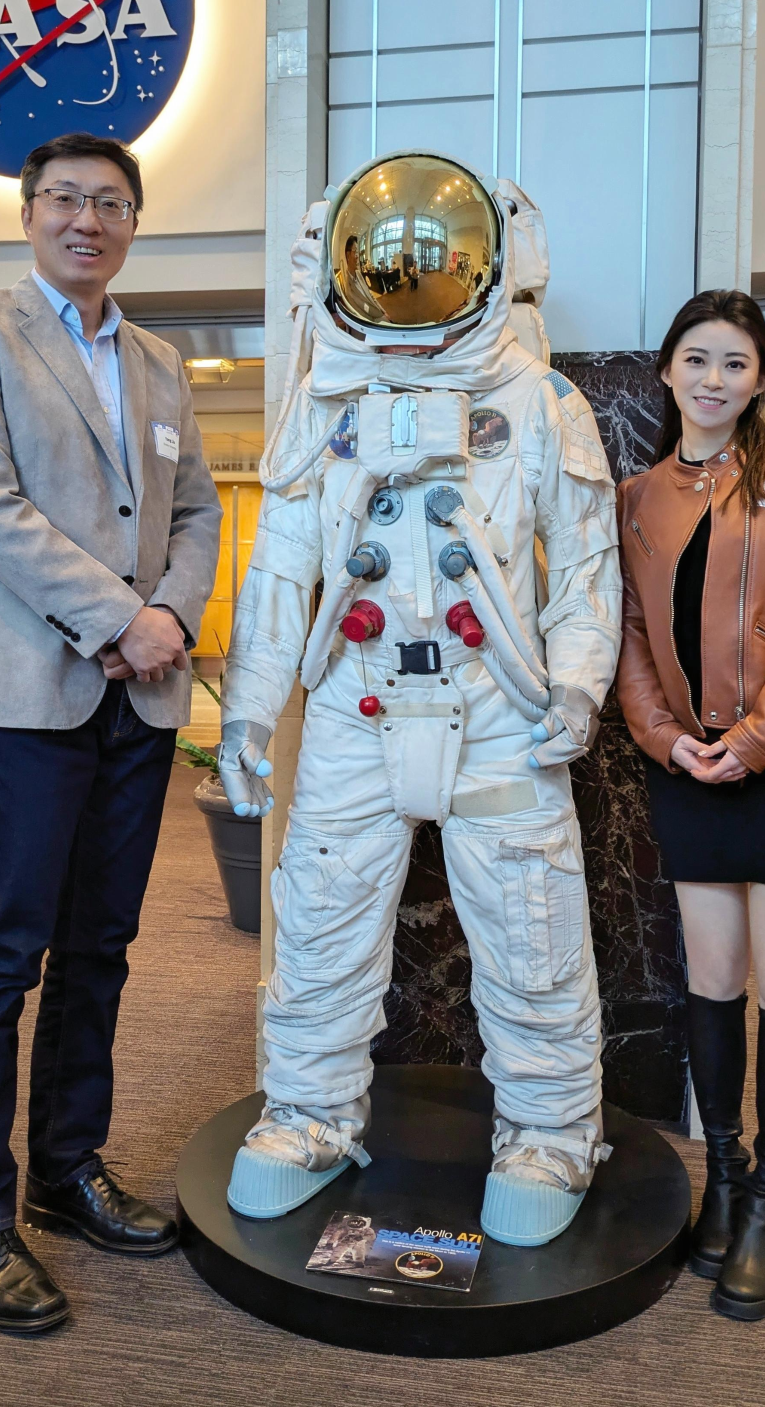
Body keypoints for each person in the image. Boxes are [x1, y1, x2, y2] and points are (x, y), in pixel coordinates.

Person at [217, 151, 622, 1247]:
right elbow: (280, 570)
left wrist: (579, 690)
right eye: (389, 263)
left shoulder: (540, 404)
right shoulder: (324, 402)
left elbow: (587, 573)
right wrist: (248, 713)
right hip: (356, 702)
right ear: (346, 269)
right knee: (321, 918)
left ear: (490, 266)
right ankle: (306, 1112)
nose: (413, 283)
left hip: (501, 706)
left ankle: (548, 1129)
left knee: (530, 921)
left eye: (434, 261)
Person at [0, 132, 221, 1334]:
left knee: (101, 945)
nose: (87, 219)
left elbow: (193, 505)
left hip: (135, 701)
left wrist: (169, 617)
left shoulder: (158, 357)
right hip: (30, 698)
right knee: (4, 954)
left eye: (111, 203)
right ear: (29, 212)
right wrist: (118, 616)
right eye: (66, 199)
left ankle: (65, 1164)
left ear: (135, 223)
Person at [616, 289, 765, 1321]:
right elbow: (628, 634)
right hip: (687, 765)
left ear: (760, 379)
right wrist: (669, 739)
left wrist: (753, 742)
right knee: (710, 986)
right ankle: (724, 1175)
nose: (715, 379)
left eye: (737, 364)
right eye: (697, 359)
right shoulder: (637, 495)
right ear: (667, 371)